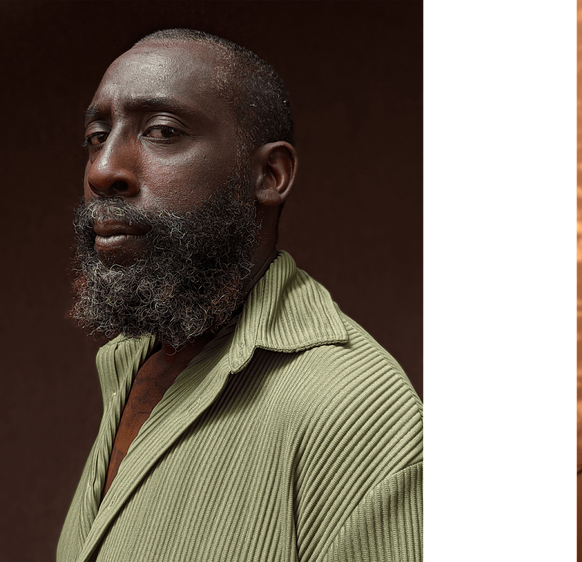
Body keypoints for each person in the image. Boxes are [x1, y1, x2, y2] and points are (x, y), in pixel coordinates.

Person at [57, 29, 423, 562]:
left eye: (161, 130)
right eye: (97, 135)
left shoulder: (352, 411)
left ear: (270, 175)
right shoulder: (135, 367)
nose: (103, 169)